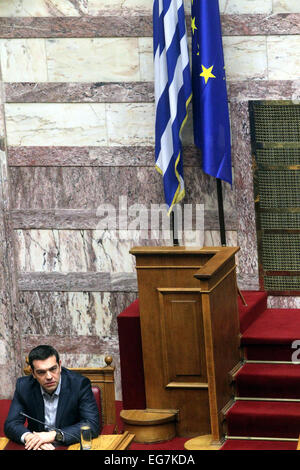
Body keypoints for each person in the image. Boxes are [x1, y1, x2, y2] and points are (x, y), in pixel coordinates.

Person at [4, 345, 100, 450]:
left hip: (70, 444)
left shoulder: (79, 384)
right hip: (38, 446)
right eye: (41, 372)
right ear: (33, 373)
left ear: (59, 365)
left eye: (53, 369)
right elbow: (11, 424)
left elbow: (92, 424)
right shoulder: (24, 386)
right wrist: (30, 437)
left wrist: (54, 435)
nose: (49, 377)